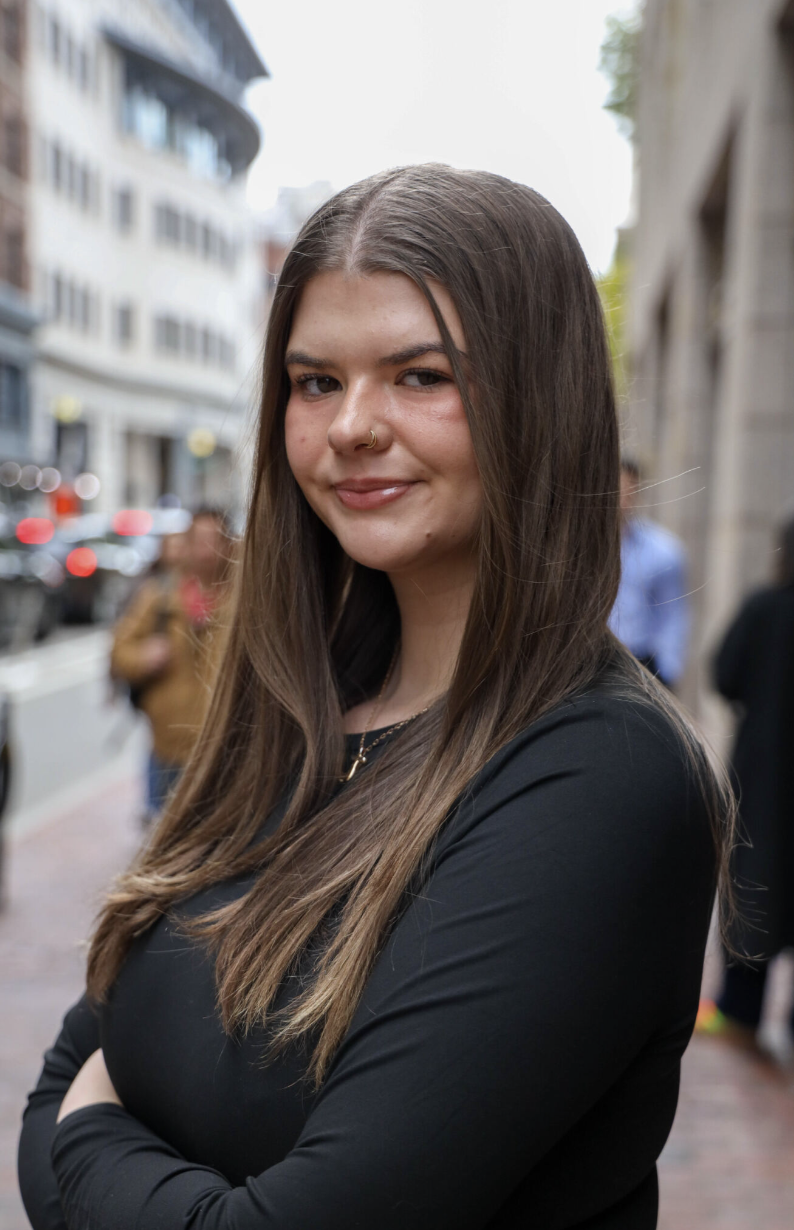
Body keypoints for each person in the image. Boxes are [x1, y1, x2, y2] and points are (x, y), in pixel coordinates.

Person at [18, 166, 732, 1230]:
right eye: (314, 383)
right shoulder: (295, 715)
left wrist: (84, 1138)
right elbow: (65, 1065)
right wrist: (83, 1123)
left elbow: (73, 1120)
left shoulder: (594, 776)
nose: (350, 425)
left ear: (540, 395)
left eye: (419, 375)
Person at [696, 516, 794, 1052]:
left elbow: (724, 673)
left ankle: (740, 1009)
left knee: (756, 881)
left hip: (764, 771)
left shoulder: (764, 607)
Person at [109, 508, 231, 821]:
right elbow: (119, 651)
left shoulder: (245, 599)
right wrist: (145, 656)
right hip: (169, 747)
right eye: (198, 539)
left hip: (226, 752)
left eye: (214, 540)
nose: (206, 549)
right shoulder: (160, 596)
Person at [608, 458, 690, 687]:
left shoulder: (664, 550)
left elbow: (671, 613)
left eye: (629, 489)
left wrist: (668, 672)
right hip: (590, 658)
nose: (623, 497)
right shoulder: (580, 546)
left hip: (641, 661)